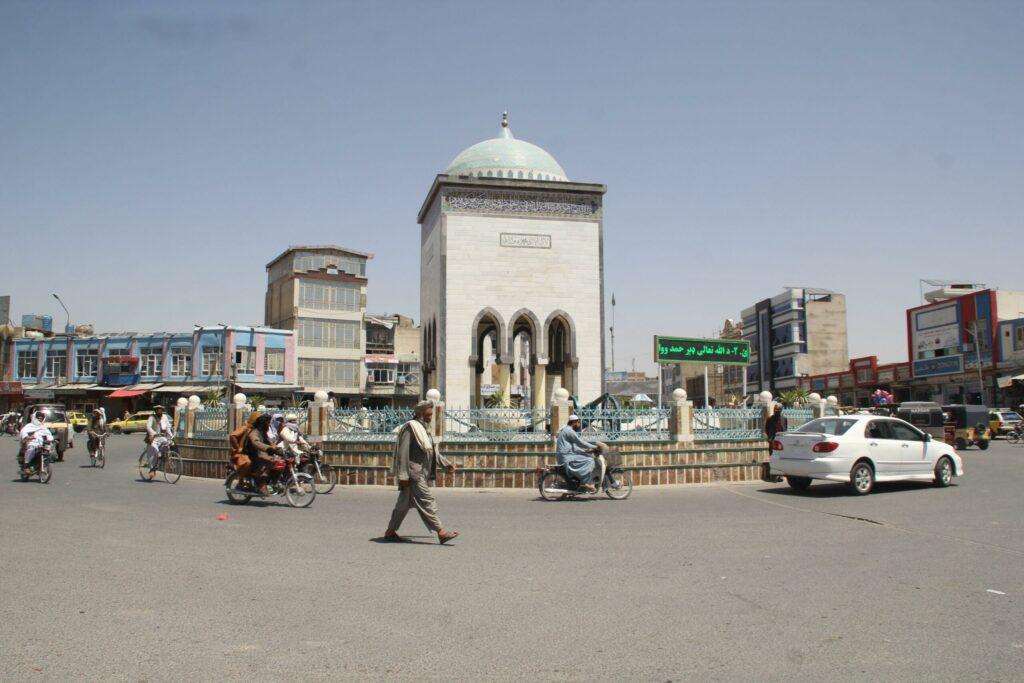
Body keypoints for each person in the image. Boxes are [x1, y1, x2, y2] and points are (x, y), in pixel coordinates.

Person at [384, 400, 459, 544]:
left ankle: (390, 532)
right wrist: (404, 475)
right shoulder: (410, 428)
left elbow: (432, 452)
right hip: (414, 474)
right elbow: (403, 453)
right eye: (428, 414)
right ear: (420, 413)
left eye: (431, 414)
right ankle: (442, 532)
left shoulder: (424, 430)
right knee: (427, 501)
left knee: (402, 506)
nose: (430, 416)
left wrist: (446, 464)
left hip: (420, 473)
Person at [555, 414, 599, 492]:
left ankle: (580, 481)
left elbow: (574, 447)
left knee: (586, 456)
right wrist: (594, 447)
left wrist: (585, 451)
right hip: (566, 457)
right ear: (574, 422)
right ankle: (586, 482)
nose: (579, 425)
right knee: (590, 460)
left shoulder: (566, 430)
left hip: (566, 455)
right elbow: (579, 442)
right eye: (578, 423)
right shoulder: (569, 431)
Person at [244, 413, 283, 495]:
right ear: (263, 423)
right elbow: (256, 443)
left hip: (262, 453)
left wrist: (278, 450)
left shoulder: (263, 433)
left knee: (280, 463)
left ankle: (274, 482)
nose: (269, 425)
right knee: (270, 461)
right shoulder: (254, 432)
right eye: (268, 423)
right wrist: (268, 448)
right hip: (254, 454)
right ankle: (262, 484)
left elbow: (271, 443)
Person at [142, 406, 173, 481]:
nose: (159, 412)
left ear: (162, 411)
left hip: (161, 437)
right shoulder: (152, 417)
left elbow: (168, 427)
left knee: (167, 444)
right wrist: (154, 433)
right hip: (154, 438)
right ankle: (152, 469)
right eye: (157, 410)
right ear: (155, 411)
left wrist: (171, 435)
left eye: (160, 410)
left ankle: (163, 457)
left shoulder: (164, 417)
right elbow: (148, 427)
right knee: (155, 452)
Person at [764, 403, 788, 482]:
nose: (775, 411)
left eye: (777, 410)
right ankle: (774, 475)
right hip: (773, 441)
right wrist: (770, 438)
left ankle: (780, 475)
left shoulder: (784, 419)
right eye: (775, 409)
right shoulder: (770, 419)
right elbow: (767, 429)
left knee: (781, 458)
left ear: (781, 410)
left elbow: (785, 429)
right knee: (773, 458)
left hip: (781, 442)